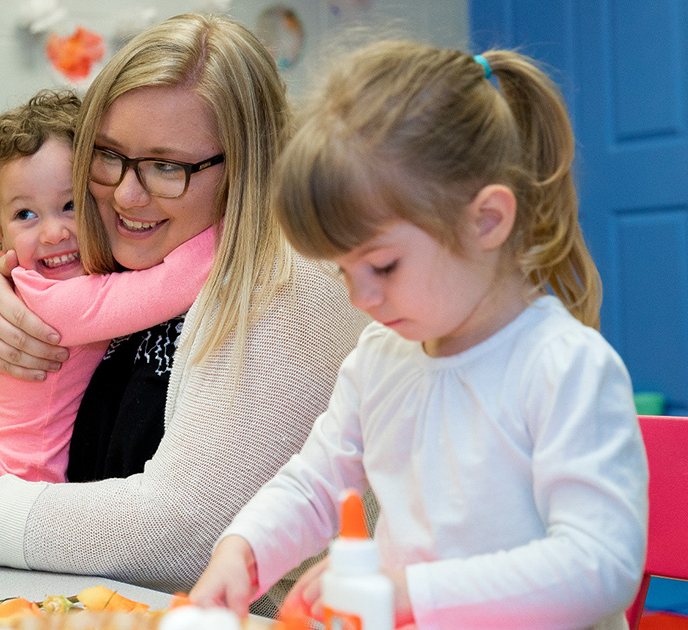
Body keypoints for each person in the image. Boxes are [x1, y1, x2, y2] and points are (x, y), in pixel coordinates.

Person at [0, 12, 371, 612]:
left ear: (245, 165)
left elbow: (184, 532)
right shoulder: (138, 249)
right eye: (108, 156)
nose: (127, 194)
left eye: (167, 166)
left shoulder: (289, 285)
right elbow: (38, 410)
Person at [189, 41, 648, 629]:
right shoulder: (380, 356)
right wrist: (245, 550)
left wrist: (410, 591)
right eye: (343, 271)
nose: (361, 298)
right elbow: (318, 482)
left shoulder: (564, 367)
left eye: (382, 267)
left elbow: (599, 565)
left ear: (486, 220)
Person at [0, 89, 214, 484]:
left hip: (4, 480)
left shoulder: (80, 278)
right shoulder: (49, 301)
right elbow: (173, 285)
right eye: (25, 214)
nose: (53, 233)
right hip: (19, 490)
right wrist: (236, 225)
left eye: (70, 205)